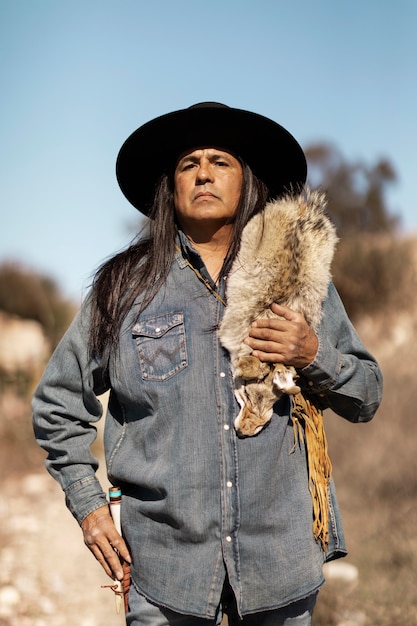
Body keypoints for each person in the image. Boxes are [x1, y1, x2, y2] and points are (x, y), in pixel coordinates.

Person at [32, 102, 383, 625]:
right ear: (169, 186)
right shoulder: (123, 289)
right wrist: (88, 506)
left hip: (279, 565)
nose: (202, 173)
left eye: (220, 161)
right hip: (162, 570)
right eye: (187, 163)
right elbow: (57, 403)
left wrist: (313, 354)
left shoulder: (298, 278)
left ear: (248, 181)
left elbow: (367, 395)